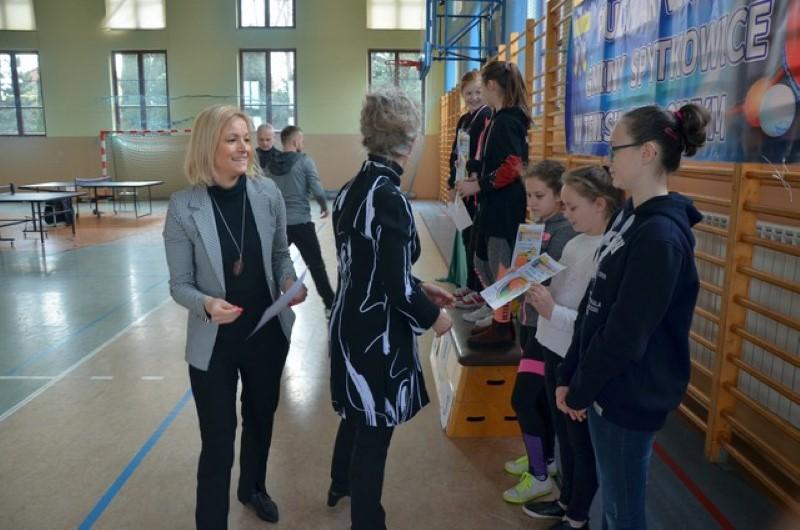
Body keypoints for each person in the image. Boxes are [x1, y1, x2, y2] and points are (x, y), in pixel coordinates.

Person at [557, 104, 709, 530]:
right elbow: (594, 302)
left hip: (630, 394)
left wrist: (581, 388)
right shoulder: (628, 215)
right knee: (613, 504)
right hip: (605, 386)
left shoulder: (660, 238)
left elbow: (625, 334)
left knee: (622, 512)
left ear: (647, 153)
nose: (608, 159)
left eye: (615, 148)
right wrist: (571, 371)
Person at [163, 105, 307, 530]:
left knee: (260, 420)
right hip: (215, 341)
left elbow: (280, 255)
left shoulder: (267, 194)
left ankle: (253, 488)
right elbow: (179, 284)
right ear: (208, 146)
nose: (245, 147)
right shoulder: (183, 207)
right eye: (232, 140)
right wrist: (207, 305)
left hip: (265, 334)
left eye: (246, 138)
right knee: (218, 440)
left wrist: (288, 281)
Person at [327, 88, 454, 530]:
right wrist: (435, 318)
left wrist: (422, 287)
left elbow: (369, 268)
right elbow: (395, 287)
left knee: (357, 413)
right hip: (374, 333)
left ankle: (339, 483)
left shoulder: (351, 189)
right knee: (375, 432)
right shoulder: (388, 196)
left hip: (348, 320)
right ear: (409, 141)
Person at [522, 166, 624, 530]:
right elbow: (561, 294)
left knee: (581, 443)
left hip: (575, 356)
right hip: (552, 347)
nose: (565, 214)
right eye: (563, 206)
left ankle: (578, 517)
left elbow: (593, 322)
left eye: (572, 207)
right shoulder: (575, 242)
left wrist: (552, 310)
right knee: (563, 435)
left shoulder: (609, 251)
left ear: (600, 204)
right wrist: (534, 289)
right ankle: (565, 500)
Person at [503, 160, 577, 505]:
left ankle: (539, 476)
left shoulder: (566, 233)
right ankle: (543, 459)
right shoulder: (538, 227)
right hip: (530, 325)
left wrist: (522, 276)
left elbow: (553, 280)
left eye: (539, 196)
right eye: (528, 195)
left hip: (548, 333)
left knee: (523, 399)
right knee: (537, 400)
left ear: (560, 197)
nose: (531, 202)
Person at [456, 60, 531, 347]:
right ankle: (494, 309)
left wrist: (479, 184)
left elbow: (512, 166)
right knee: (481, 259)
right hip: (493, 202)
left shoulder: (508, 120)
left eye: (481, 89)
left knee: (500, 264)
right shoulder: (500, 119)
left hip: (504, 205)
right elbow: (497, 160)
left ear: (490, 86)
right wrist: (475, 168)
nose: (478, 96)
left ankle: (502, 324)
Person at [264, 125, 336, 317]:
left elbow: (264, 194)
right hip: (302, 224)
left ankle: (265, 304)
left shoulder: (270, 165)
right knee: (316, 266)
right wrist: (323, 206)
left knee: (272, 265)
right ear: (295, 141)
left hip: (279, 225)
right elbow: (317, 189)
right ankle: (330, 305)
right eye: (301, 140)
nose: (302, 143)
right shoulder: (305, 161)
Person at [447, 69, 492, 310]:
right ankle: (470, 283)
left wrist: (475, 178)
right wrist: (451, 183)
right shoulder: (464, 120)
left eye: (477, 92)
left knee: (476, 240)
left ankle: (478, 288)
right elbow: (455, 153)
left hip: (476, 190)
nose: (474, 97)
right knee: (466, 237)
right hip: (462, 187)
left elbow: (483, 155)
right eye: (469, 94)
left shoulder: (487, 115)